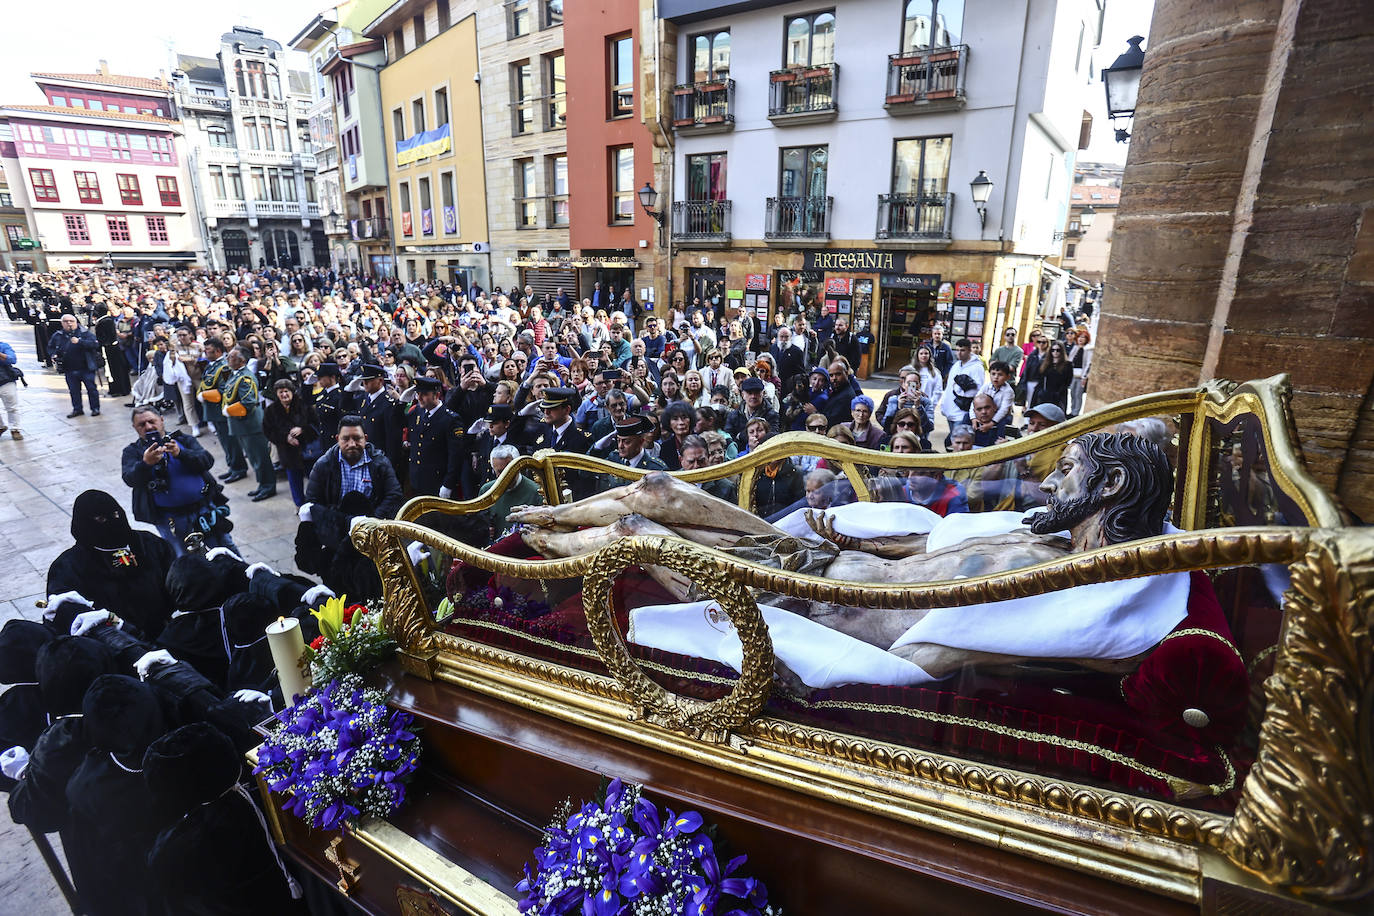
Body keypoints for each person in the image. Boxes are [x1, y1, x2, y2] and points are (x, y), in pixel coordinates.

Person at [513, 433, 1177, 679]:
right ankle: (544, 517)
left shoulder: (1071, 596)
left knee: (634, 533)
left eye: (1068, 468)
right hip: (816, 560)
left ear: (1111, 486)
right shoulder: (1045, 536)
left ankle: (533, 559)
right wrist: (852, 538)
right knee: (662, 491)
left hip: (808, 605)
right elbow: (930, 545)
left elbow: (951, 654)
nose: (1050, 483)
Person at [46, 489, 177, 635]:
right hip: (113, 640)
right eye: (101, 519)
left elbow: (176, 585)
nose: (113, 522)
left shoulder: (150, 544)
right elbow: (67, 613)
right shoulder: (68, 566)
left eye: (115, 515)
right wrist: (116, 625)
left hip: (164, 632)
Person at [122, 406, 236, 556]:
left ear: (161, 420)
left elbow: (207, 461)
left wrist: (181, 453)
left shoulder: (183, 440)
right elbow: (130, 479)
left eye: (151, 421)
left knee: (226, 551)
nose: (148, 427)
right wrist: (145, 464)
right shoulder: (132, 451)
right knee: (184, 559)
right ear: (134, 427)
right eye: (141, 425)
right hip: (171, 520)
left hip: (204, 511)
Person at [304, 416, 404, 519]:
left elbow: (394, 496)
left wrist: (371, 521)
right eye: (345, 439)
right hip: (336, 524)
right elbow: (313, 502)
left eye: (357, 438)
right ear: (337, 439)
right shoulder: (323, 465)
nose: (352, 444)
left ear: (365, 438)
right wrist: (343, 522)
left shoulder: (381, 463)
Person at [222, 345, 275, 501]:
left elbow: (249, 402)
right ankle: (262, 484)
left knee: (260, 458)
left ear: (242, 360)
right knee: (253, 457)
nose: (228, 359)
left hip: (250, 423)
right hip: (241, 424)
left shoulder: (245, 377)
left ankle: (268, 486)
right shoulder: (235, 374)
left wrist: (229, 410)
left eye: (231, 357)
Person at [405, 376, 466, 498]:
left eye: (424, 394)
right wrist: (402, 402)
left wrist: (448, 484)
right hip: (417, 479)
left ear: (436, 395)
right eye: (418, 394)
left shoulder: (450, 419)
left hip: (437, 481)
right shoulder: (417, 412)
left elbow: (455, 456)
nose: (419, 398)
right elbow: (397, 422)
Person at [262, 379, 320, 506]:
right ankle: (299, 505)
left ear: (292, 392)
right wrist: (285, 438)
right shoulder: (271, 410)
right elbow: (268, 431)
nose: (284, 395)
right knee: (294, 481)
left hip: (308, 451)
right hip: (288, 453)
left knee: (315, 480)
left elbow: (316, 425)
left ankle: (318, 503)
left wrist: (302, 429)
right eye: (280, 392)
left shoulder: (304, 405)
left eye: (286, 391)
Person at [197, 338, 248, 483]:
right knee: (224, 441)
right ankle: (232, 466)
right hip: (214, 411)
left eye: (208, 350)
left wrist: (204, 395)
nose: (205, 352)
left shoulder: (224, 367)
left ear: (218, 351)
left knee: (230, 442)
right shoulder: (212, 366)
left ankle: (238, 468)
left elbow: (224, 390)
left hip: (221, 410)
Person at [478, 444, 542, 539]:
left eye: (508, 471)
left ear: (518, 467)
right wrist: (485, 530)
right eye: (500, 472)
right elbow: (479, 525)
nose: (504, 476)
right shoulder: (487, 491)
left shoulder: (536, 492)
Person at [49, 314, 102, 418]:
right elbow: (50, 347)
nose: (69, 323)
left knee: (91, 389)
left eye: (71, 321)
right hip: (69, 368)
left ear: (76, 322)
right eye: (66, 321)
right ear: (62, 323)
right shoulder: (58, 335)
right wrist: (53, 354)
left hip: (86, 367)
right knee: (74, 391)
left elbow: (95, 344)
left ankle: (95, 408)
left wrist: (80, 342)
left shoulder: (85, 333)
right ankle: (77, 409)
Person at [0, 337, 23, 440]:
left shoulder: (3, 346)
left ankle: (15, 429)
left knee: (12, 407)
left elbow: (12, 359)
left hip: (5, 380)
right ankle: (1, 426)